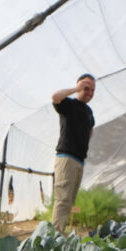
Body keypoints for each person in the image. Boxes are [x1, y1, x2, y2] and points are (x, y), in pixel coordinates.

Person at [51, 74, 96, 233]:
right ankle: (54, 238)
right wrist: (76, 89)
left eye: (92, 90)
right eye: (86, 88)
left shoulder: (89, 112)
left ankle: (60, 235)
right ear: (79, 87)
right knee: (63, 200)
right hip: (66, 157)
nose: (89, 92)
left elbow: (90, 132)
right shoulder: (68, 104)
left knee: (69, 201)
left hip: (79, 160)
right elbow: (55, 96)